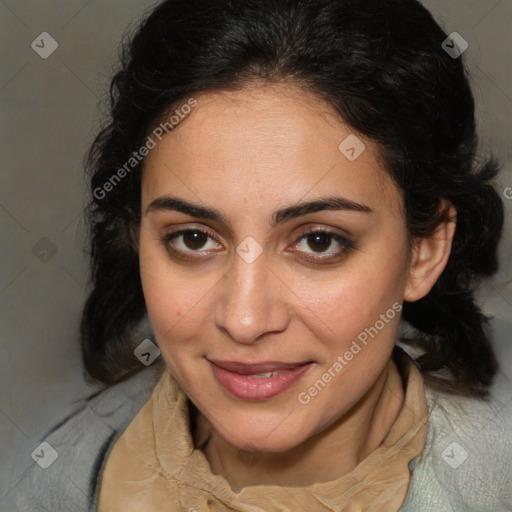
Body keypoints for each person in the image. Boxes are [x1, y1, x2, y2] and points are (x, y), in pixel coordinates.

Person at [9, 0, 512, 510]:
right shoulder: (54, 486)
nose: (245, 320)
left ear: (423, 251)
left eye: (319, 241)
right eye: (194, 238)